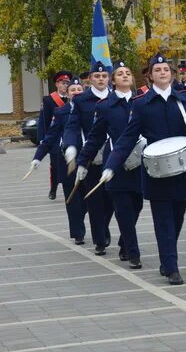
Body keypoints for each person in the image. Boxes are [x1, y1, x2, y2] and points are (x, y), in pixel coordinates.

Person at [101, 53, 186, 285]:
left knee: (178, 216)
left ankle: (167, 257)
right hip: (155, 171)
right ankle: (171, 267)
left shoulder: (185, 100)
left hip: (181, 169)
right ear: (149, 76)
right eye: (157, 70)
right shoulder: (141, 104)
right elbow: (127, 138)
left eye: (166, 70)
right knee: (163, 220)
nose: (162, 73)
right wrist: (111, 166)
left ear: (171, 74)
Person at [74, 60, 144, 268]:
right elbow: (95, 137)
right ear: (113, 81)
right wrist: (83, 161)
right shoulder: (105, 106)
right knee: (122, 208)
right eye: (120, 73)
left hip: (139, 163)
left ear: (132, 79)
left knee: (137, 205)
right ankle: (133, 251)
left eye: (127, 73)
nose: (124, 76)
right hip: (115, 164)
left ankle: (125, 241)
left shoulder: (142, 102)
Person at [63, 61, 115, 256]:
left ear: (108, 78)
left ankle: (104, 226)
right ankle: (99, 240)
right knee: (94, 200)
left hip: (113, 156)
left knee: (111, 199)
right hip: (91, 156)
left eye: (104, 76)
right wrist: (70, 147)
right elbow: (72, 126)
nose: (101, 79)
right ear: (90, 79)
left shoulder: (116, 98)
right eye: (97, 76)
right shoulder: (82, 100)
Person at [29, 76, 87, 244]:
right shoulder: (61, 112)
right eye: (72, 90)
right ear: (67, 94)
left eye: (79, 90)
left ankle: (86, 221)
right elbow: (50, 136)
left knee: (88, 200)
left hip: (88, 160)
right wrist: (37, 157)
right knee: (72, 200)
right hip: (67, 161)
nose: (76, 92)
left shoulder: (93, 109)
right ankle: (78, 232)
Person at [38, 71, 72, 200]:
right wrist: (43, 139)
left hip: (69, 135)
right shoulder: (49, 100)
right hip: (55, 137)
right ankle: (53, 188)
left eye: (67, 83)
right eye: (63, 83)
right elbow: (44, 121)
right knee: (55, 165)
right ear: (57, 84)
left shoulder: (73, 97)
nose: (65, 85)